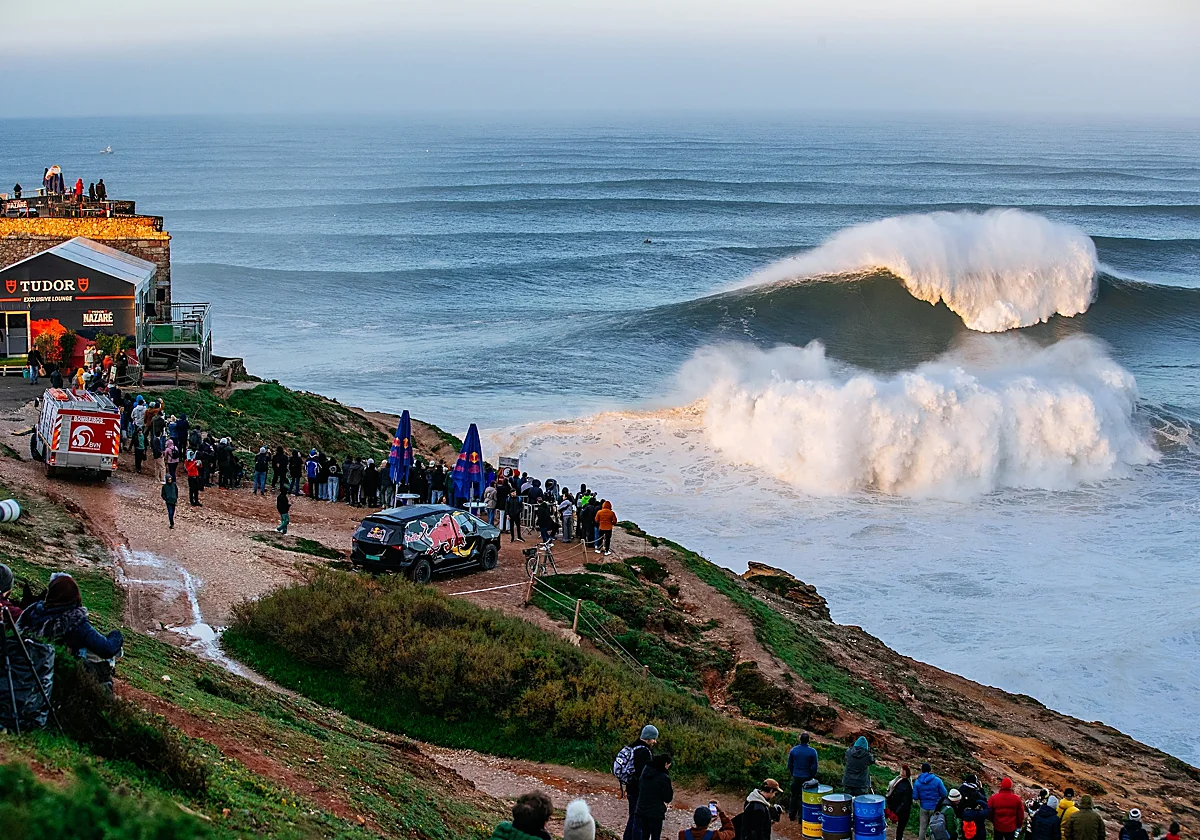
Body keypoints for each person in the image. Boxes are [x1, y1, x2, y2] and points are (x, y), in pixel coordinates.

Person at [18, 574, 123, 661]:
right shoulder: (75, 622)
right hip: (58, 669)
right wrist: (116, 635)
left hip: (28, 662)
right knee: (100, 654)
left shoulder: (33, 612)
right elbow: (106, 649)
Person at [622, 725, 658, 840]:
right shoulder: (644, 752)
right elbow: (645, 775)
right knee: (636, 818)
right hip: (638, 790)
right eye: (653, 739)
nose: (655, 741)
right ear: (648, 738)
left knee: (633, 815)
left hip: (630, 787)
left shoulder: (633, 747)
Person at [635, 754, 674, 840]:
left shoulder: (645, 771)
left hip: (641, 810)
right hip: (655, 813)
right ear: (666, 764)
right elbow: (668, 797)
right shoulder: (663, 777)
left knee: (644, 836)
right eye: (668, 766)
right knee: (655, 836)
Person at [786, 733, 819, 821]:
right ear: (809, 740)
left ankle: (791, 815)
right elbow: (815, 766)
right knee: (803, 798)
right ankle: (801, 818)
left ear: (800, 739)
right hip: (807, 778)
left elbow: (789, 764)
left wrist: (793, 773)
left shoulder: (794, 750)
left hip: (796, 776)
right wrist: (812, 776)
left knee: (794, 796)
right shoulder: (812, 751)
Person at [914, 763, 949, 840]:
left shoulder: (917, 782)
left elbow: (915, 797)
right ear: (930, 770)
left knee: (922, 828)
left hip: (923, 807)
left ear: (922, 770)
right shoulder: (937, 780)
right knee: (934, 827)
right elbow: (944, 793)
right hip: (935, 808)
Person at [886, 765, 914, 840]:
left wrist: (896, 811)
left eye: (902, 771)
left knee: (900, 828)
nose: (901, 772)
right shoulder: (902, 782)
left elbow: (905, 802)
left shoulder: (903, 784)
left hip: (900, 809)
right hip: (899, 809)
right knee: (900, 828)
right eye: (901, 770)